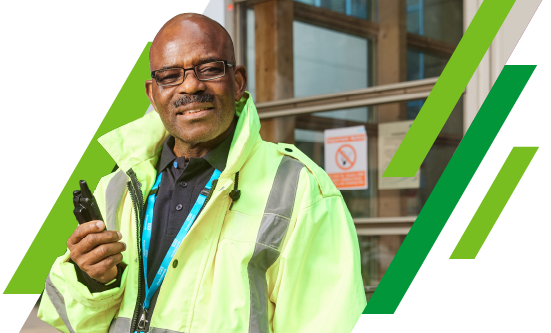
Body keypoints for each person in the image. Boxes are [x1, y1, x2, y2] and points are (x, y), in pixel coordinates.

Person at [38, 13, 366, 333]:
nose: (191, 85)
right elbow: (67, 319)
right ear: (153, 94)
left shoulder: (302, 190)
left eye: (209, 68)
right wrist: (93, 280)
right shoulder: (117, 186)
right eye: (170, 75)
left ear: (237, 83)